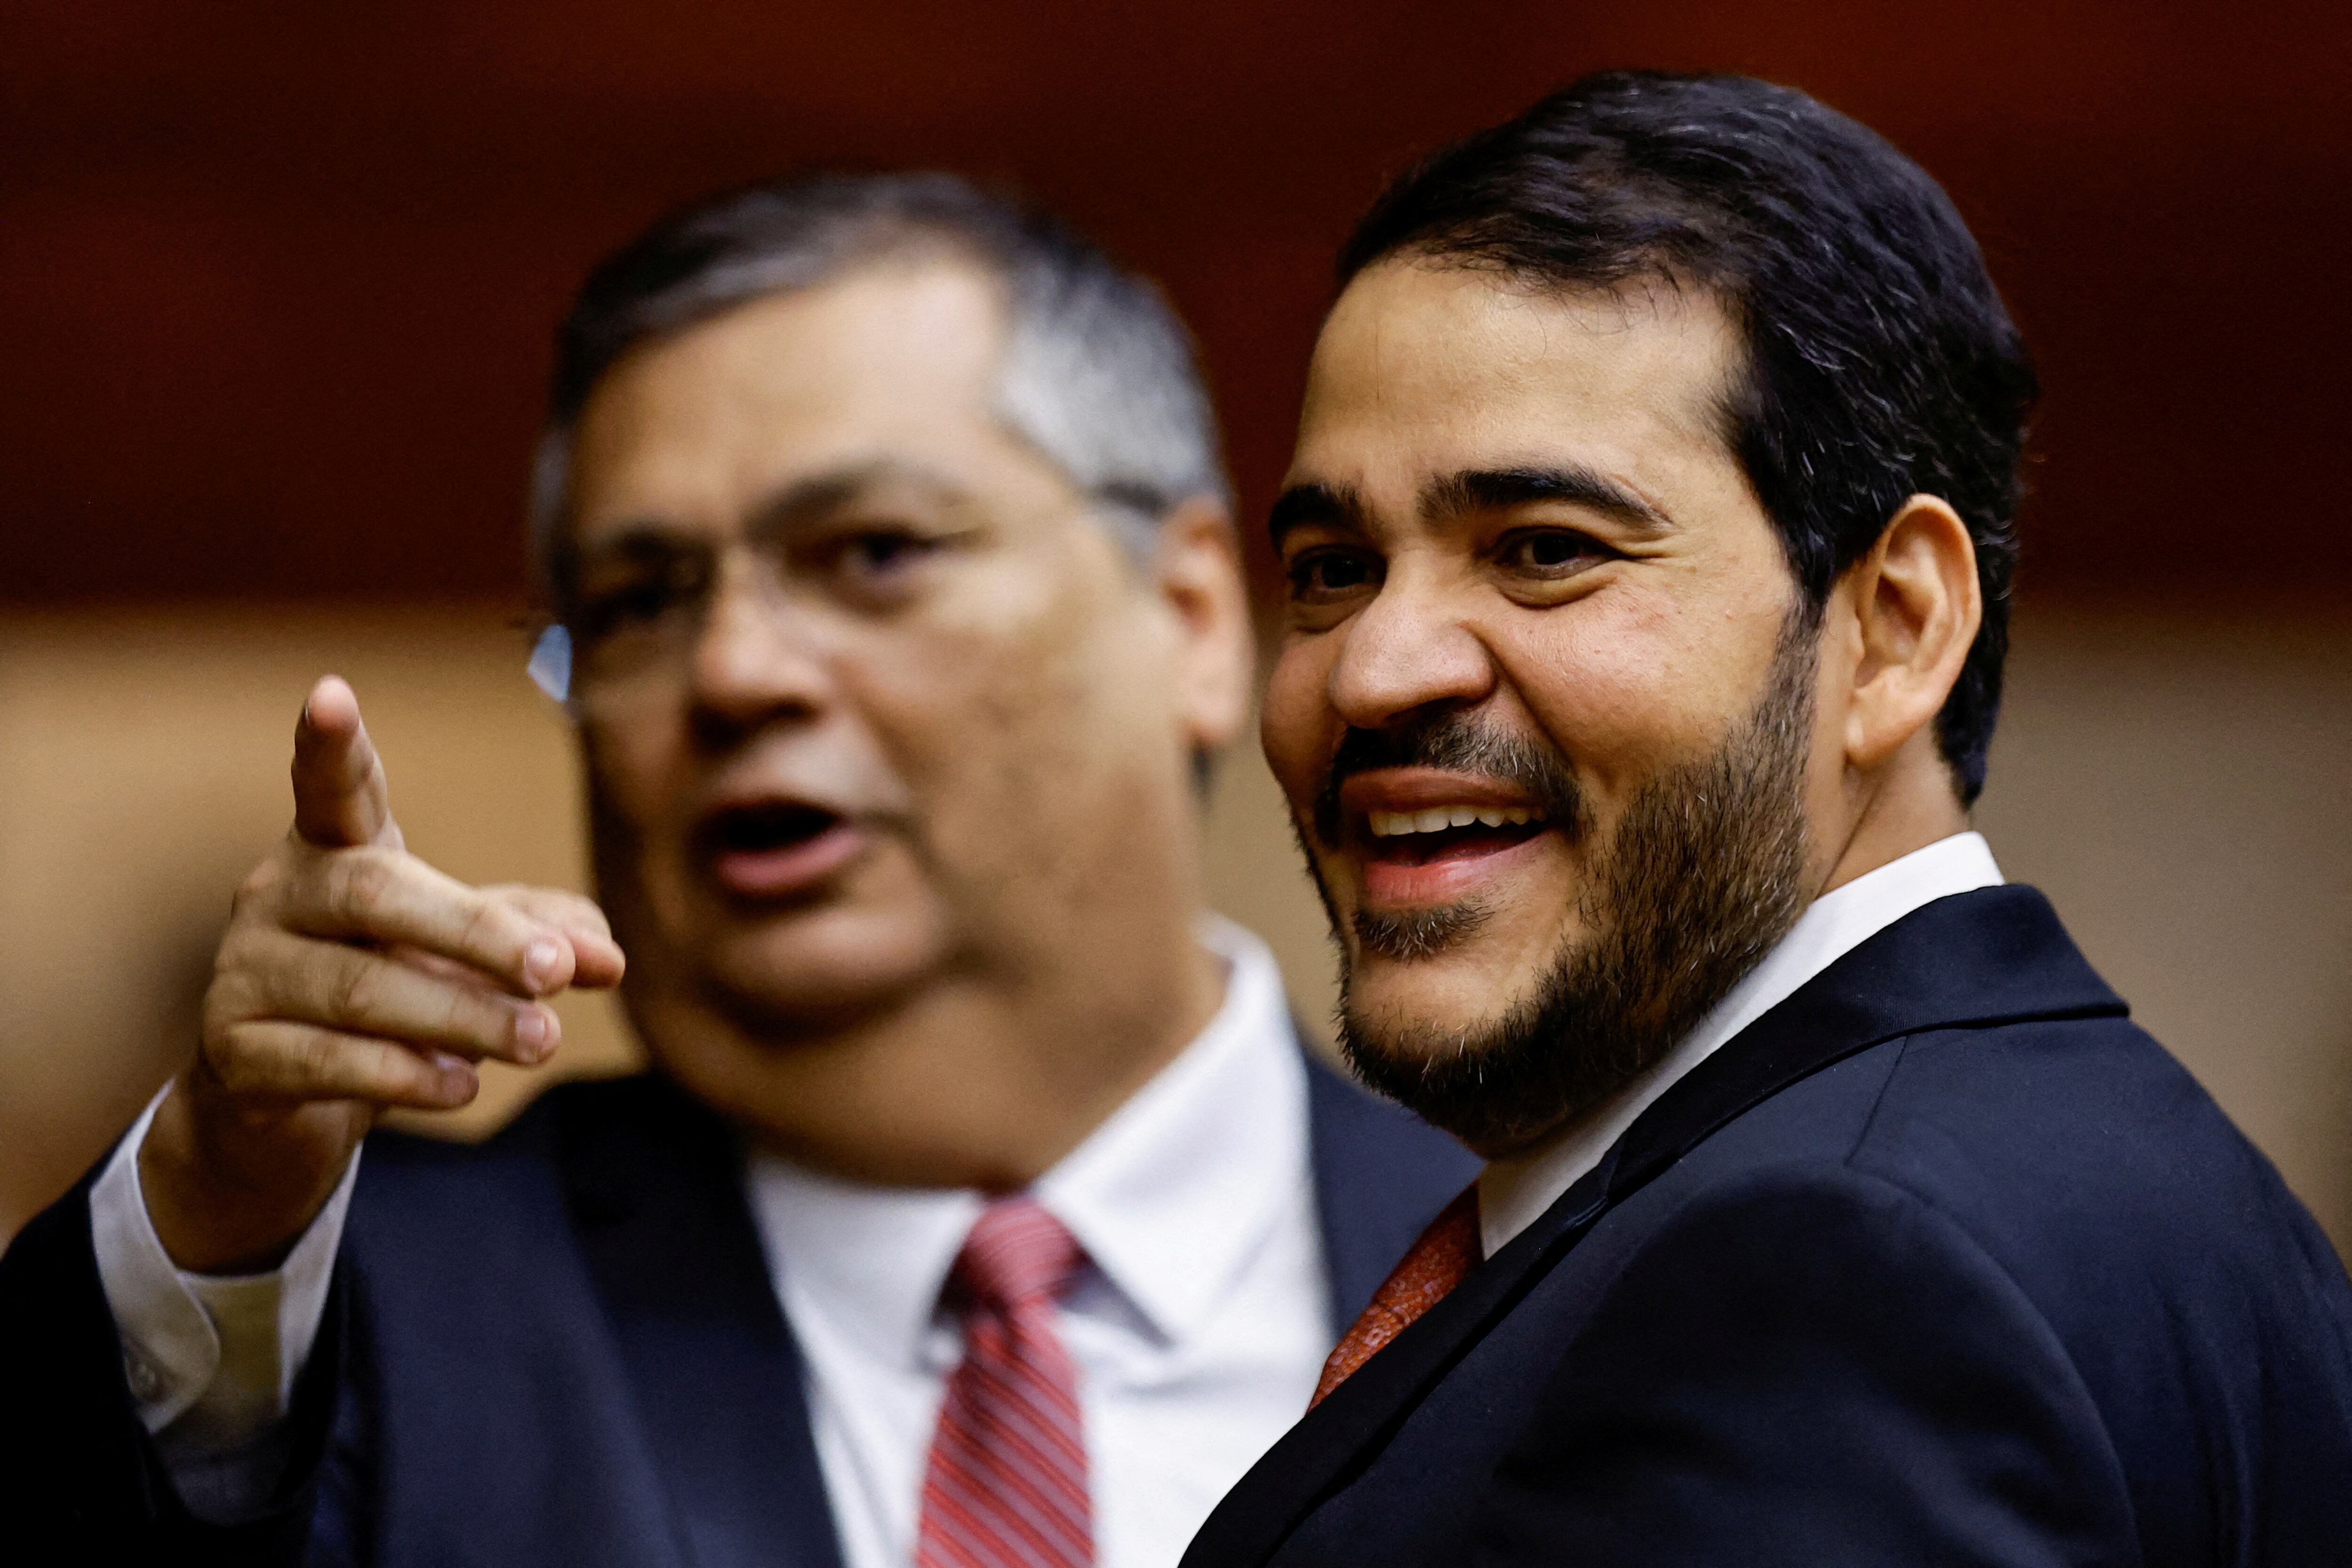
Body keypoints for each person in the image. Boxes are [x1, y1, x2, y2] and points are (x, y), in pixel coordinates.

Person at [0, 174, 1474, 1563]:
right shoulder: (362, 1319)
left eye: (873, 552)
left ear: (1194, 617)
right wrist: (214, 1186)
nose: (733, 672)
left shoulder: (1569, 1260)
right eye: (640, 601)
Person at [1184, 71, 2352, 1568]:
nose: (1372, 669)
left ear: (1895, 626)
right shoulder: (2123, 1186)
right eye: (1333, 569)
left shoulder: (1836, 1276)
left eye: (1545, 549)